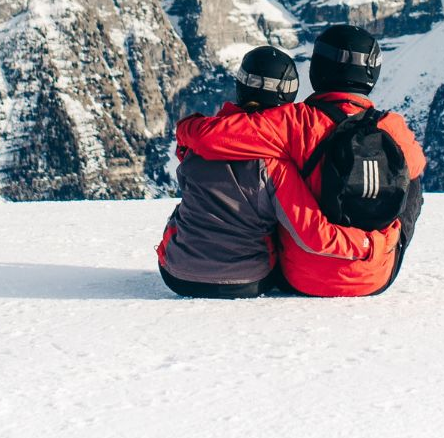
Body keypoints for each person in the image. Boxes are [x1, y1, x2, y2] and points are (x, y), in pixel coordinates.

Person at [176, 25, 424, 297]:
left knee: (272, 176)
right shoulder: (392, 126)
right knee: (413, 182)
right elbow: (417, 168)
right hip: (377, 272)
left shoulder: (293, 122)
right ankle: (380, 253)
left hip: (302, 278)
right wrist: (380, 242)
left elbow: (210, 138)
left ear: (317, 69)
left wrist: (189, 125)